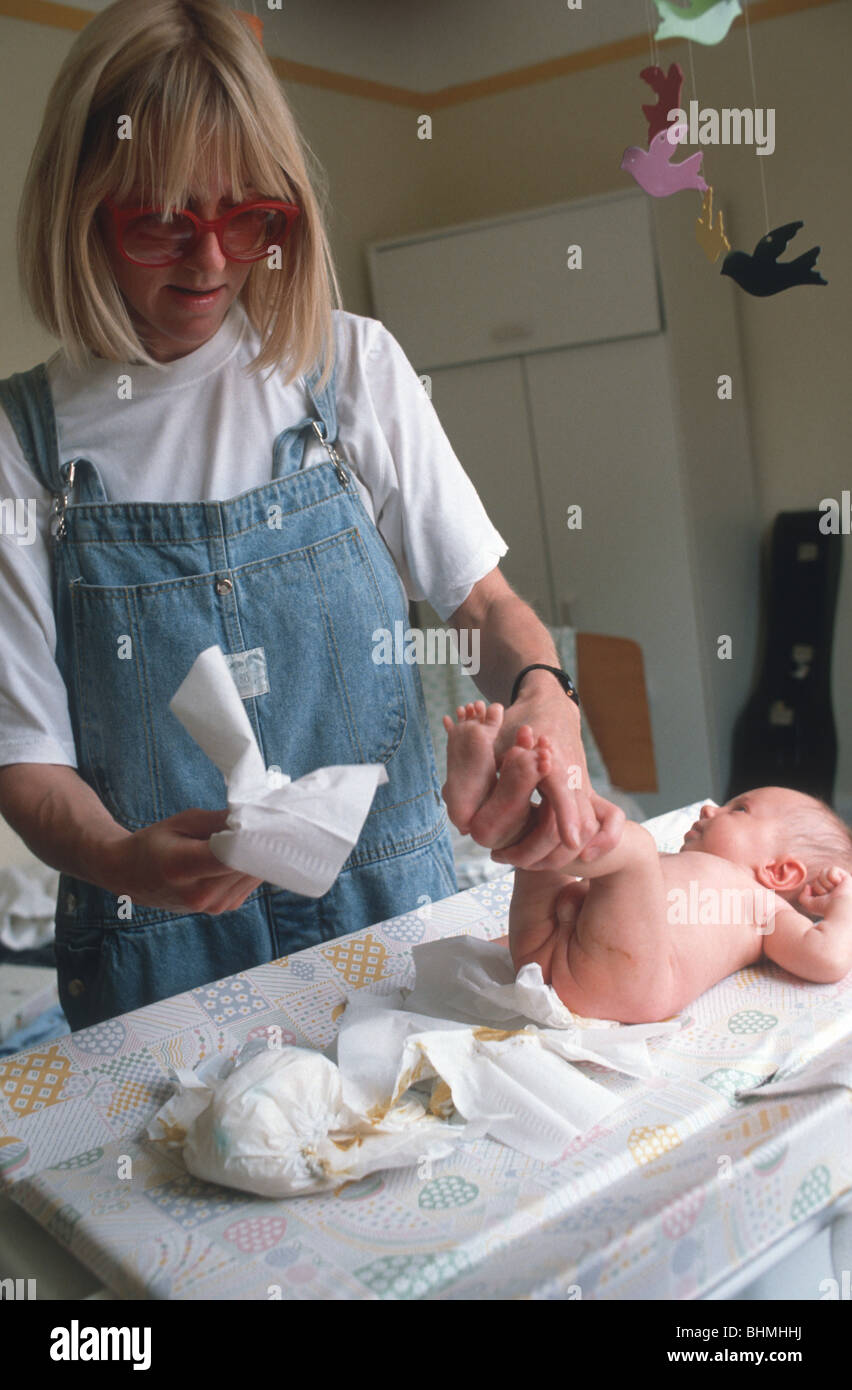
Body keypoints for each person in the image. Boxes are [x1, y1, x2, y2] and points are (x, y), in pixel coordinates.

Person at [0, 0, 624, 1031]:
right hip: (161, 974)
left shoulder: (350, 372)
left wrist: (545, 694)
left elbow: (483, 604)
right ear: (80, 203)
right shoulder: (25, 445)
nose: (209, 264)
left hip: (397, 929)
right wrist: (117, 860)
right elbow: (27, 759)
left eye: (247, 218)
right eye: (160, 220)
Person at [444, 701, 852, 1023]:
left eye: (738, 810)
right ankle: (502, 818)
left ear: (779, 872)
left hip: (627, 982)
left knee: (631, 845)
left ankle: (556, 804)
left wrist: (842, 906)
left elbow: (828, 958)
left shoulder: (766, 909)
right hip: (546, 957)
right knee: (545, 863)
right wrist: (493, 951)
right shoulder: (671, 866)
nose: (710, 810)